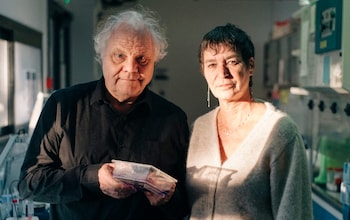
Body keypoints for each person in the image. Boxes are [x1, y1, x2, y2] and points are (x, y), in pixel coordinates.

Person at [18, 6, 190, 220]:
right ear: (101, 55)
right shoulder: (63, 106)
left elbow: (186, 203)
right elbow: (29, 184)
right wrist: (92, 178)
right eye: (119, 55)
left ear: (155, 59)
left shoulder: (174, 119)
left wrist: (169, 198)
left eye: (142, 59)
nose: (131, 68)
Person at [186, 23, 313, 219]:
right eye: (212, 64)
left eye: (232, 61)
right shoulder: (198, 129)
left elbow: (295, 214)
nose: (222, 72)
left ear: (250, 65)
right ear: (203, 71)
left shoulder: (280, 132)